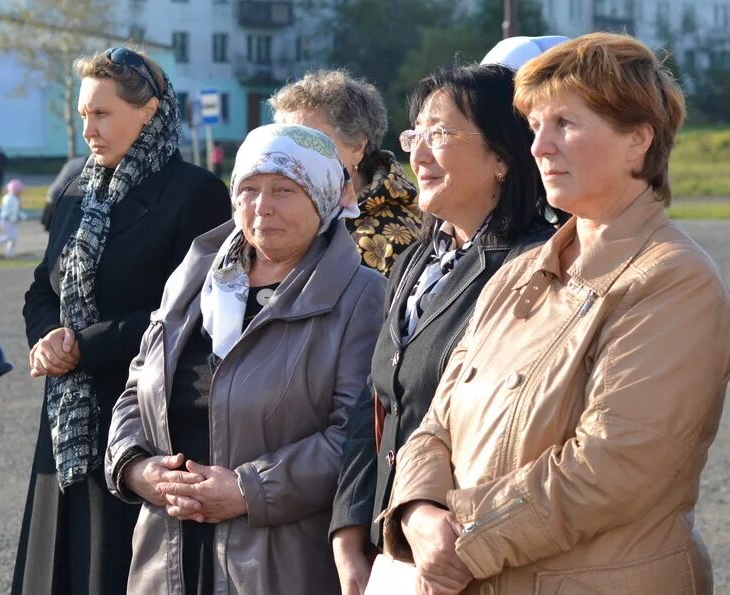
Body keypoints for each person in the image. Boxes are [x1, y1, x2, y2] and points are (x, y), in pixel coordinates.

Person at [378, 33, 730, 594]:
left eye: (564, 124)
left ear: (637, 140)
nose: (539, 146)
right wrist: (417, 512)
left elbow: (614, 464)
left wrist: (463, 538)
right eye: (535, 126)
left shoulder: (672, 279)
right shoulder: (520, 273)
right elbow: (435, 421)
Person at [105, 123, 386, 595]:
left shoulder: (359, 295)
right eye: (249, 190)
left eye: (283, 190)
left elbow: (355, 437)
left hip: (276, 562)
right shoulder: (196, 278)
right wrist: (136, 469)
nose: (262, 207)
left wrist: (246, 490)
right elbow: (138, 391)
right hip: (169, 553)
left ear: (320, 197)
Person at [329, 54, 562, 595]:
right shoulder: (416, 258)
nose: (420, 153)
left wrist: (434, 524)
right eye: (417, 134)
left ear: (502, 156)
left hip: (467, 548)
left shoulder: (534, 265)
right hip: (394, 540)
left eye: (442, 133)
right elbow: (378, 399)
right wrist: (349, 532)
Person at [12, 47, 231, 595]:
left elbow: (190, 309)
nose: (88, 129)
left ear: (150, 111)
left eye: (102, 114)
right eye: (84, 114)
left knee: (113, 567)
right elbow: (43, 285)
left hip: (141, 414)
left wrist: (83, 344)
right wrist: (48, 340)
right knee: (59, 566)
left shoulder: (196, 194)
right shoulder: (77, 191)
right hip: (68, 414)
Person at [270, 69, 420, 275]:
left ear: (357, 146)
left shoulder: (393, 240)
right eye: (283, 143)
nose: (291, 158)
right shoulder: (268, 213)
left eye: (309, 142)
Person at [41, 155, 87, 232]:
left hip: (52, 194)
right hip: (61, 199)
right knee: (60, 232)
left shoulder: (74, 162)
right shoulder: (83, 167)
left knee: (55, 233)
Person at [0, 178, 27, 257]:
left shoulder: (12, 198)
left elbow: (17, 210)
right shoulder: (11, 199)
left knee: (13, 237)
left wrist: (22, 216)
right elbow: (13, 211)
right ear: (15, 190)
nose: (20, 193)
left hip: (9, 220)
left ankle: (9, 253)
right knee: (11, 236)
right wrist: (16, 218)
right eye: (19, 191)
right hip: (7, 220)